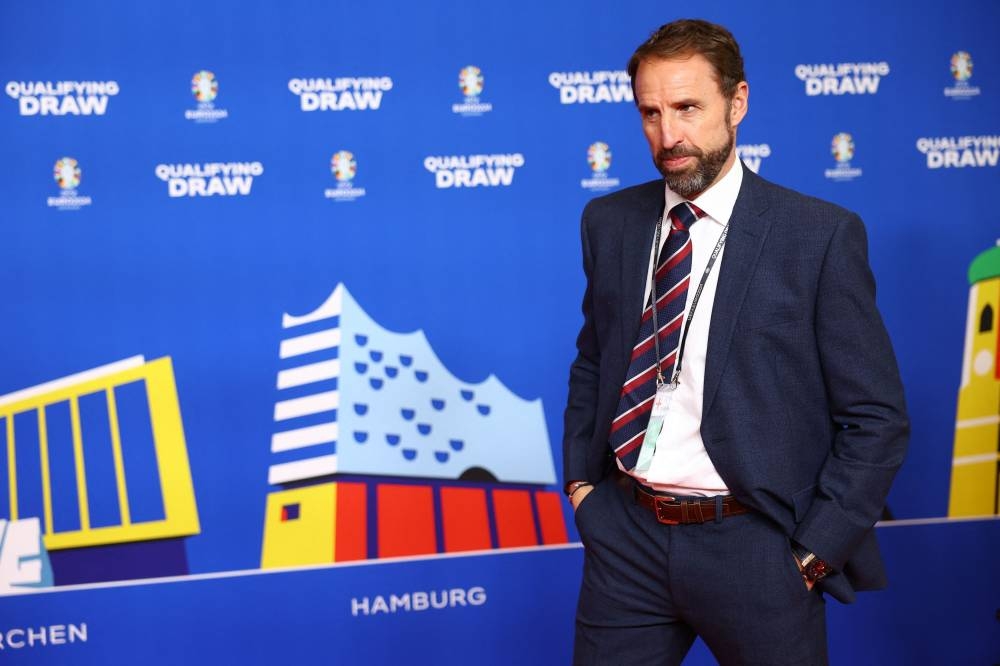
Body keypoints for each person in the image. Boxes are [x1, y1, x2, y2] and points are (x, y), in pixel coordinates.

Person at [562, 18, 909, 665]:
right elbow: (594, 358)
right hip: (626, 539)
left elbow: (878, 417)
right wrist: (584, 488)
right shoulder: (608, 223)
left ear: (737, 102)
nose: (669, 136)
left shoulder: (818, 235)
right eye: (651, 113)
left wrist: (810, 555)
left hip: (757, 548)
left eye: (688, 108)